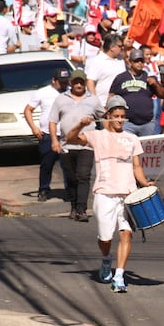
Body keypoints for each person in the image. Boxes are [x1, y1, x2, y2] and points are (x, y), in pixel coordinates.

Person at [64, 95, 153, 293]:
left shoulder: (132, 139)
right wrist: (80, 125)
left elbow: (137, 166)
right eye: (117, 116)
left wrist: (145, 183)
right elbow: (70, 138)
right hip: (105, 193)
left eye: (123, 116)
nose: (120, 120)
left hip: (128, 194)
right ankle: (106, 259)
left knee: (126, 234)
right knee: (105, 238)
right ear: (108, 116)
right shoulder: (97, 135)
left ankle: (119, 275)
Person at [49, 70, 105, 221]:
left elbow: (104, 119)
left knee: (83, 176)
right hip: (66, 145)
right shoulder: (61, 99)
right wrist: (54, 141)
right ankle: (74, 206)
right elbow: (53, 121)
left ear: (85, 83)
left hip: (87, 144)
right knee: (71, 177)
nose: (79, 85)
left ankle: (82, 209)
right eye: (76, 82)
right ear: (70, 83)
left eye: (81, 82)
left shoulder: (93, 100)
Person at [25, 68, 70, 202]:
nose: (63, 85)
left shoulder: (70, 92)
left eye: (65, 82)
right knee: (47, 164)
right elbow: (28, 109)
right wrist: (34, 128)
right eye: (61, 82)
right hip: (47, 134)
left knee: (67, 165)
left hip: (66, 135)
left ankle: (69, 191)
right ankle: (43, 189)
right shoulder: (42, 92)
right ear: (54, 80)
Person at [109, 48, 164, 136]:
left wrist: (155, 84)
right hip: (127, 122)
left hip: (147, 123)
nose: (139, 63)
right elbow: (112, 95)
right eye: (136, 61)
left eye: (141, 61)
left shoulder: (149, 77)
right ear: (130, 62)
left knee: (146, 149)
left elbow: (162, 95)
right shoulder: (121, 78)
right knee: (127, 147)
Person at [86, 33, 126, 107]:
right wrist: (95, 102)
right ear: (112, 47)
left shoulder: (121, 60)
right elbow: (90, 81)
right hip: (102, 104)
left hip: (120, 104)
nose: (122, 48)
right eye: (120, 46)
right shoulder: (97, 61)